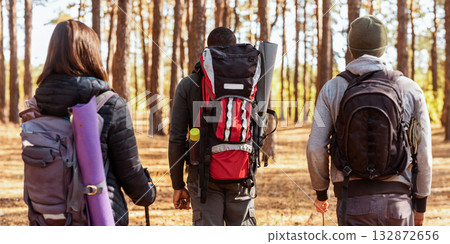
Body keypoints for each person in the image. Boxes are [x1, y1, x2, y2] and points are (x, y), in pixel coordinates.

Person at [307, 16, 432, 226]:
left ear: (350, 47)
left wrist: (321, 193)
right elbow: (423, 151)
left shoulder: (331, 89)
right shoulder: (410, 88)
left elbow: (315, 147)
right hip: (398, 204)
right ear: (383, 47)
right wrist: (421, 203)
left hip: (351, 201)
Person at [31, 20, 156, 225]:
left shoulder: (37, 105)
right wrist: (149, 193)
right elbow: (131, 175)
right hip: (97, 216)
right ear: (91, 54)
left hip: (46, 218)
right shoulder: (109, 103)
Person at [168, 27, 256, 226]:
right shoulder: (249, 82)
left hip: (203, 178)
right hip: (241, 173)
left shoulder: (189, 84)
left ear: (208, 50)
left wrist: (177, 184)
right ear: (234, 49)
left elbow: (176, 137)